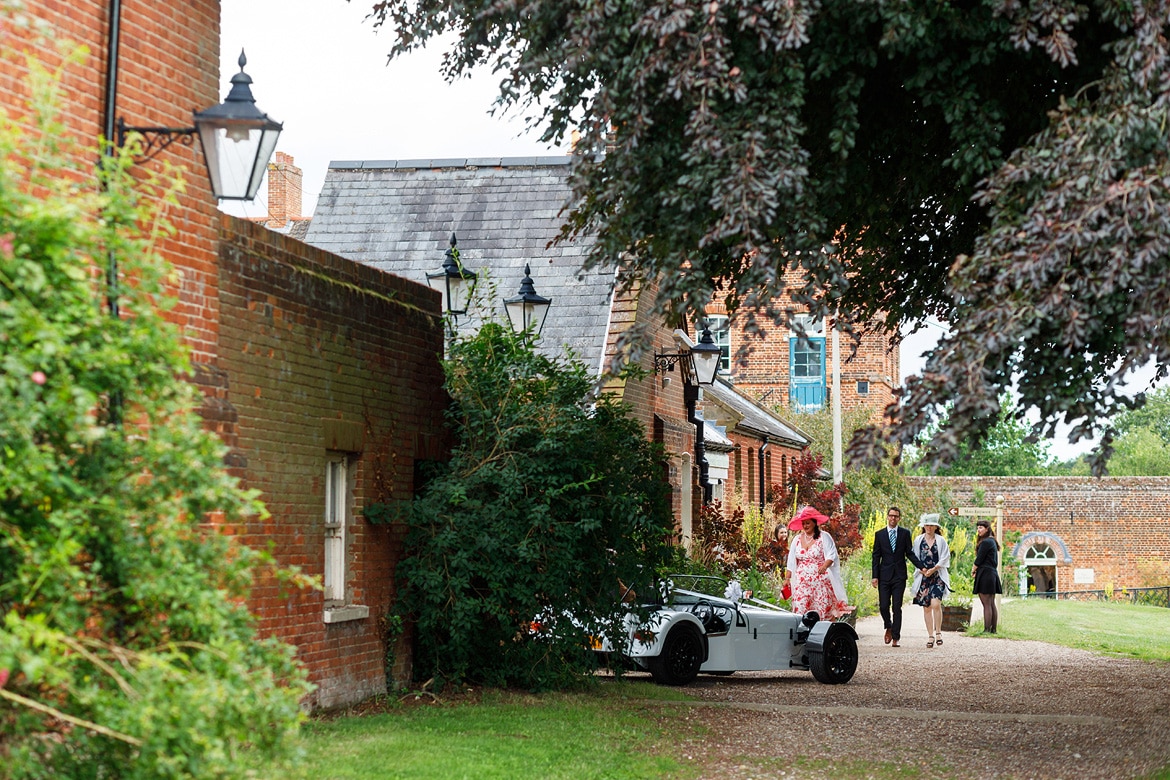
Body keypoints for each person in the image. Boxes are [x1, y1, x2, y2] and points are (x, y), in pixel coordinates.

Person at [783, 505, 849, 620]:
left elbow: (831, 554)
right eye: (803, 523)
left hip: (819, 581)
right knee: (801, 607)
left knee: (820, 609)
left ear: (814, 523)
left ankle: (821, 633)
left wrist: (824, 566)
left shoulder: (824, 537)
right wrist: (787, 579)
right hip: (802, 582)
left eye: (808, 523)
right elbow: (791, 561)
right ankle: (802, 633)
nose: (805, 526)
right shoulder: (797, 539)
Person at [871, 506, 924, 647]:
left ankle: (896, 636)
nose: (893, 518)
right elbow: (876, 556)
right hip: (884, 576)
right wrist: (874, 576)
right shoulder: (879, 534)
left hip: (899, 576)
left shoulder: (905, 534)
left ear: (899, 518)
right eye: (891, 515)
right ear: (887, 517)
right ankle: (888, 626)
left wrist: (921, 566)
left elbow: (909, 553)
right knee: (883, 606)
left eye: (896, 516)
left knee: (896, 607)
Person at [911, 514, 951, 648]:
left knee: (935, 603)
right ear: (924, 526)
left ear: (936, 527)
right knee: (926, 607)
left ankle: (938, 632)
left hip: (937, 575)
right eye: (927, 525)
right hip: (923, 576)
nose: (929, 528)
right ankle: (930, 635)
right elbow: (914, 557)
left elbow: (945, 557)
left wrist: (933, 569)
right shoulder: (918, 540)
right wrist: (923, 570)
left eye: (931, 525)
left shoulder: (940, 540)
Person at [972, 519, 1003, 632]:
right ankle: (993, 629)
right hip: (991, 573)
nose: (978, 530)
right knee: (991, 603)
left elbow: (979, 559)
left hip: (985, 573)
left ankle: (986, 629)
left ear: (987, 529)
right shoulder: (992, 541)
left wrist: (973, 569)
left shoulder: (986, 542)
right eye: (978, 527)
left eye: (981, 528)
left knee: (986, 604)